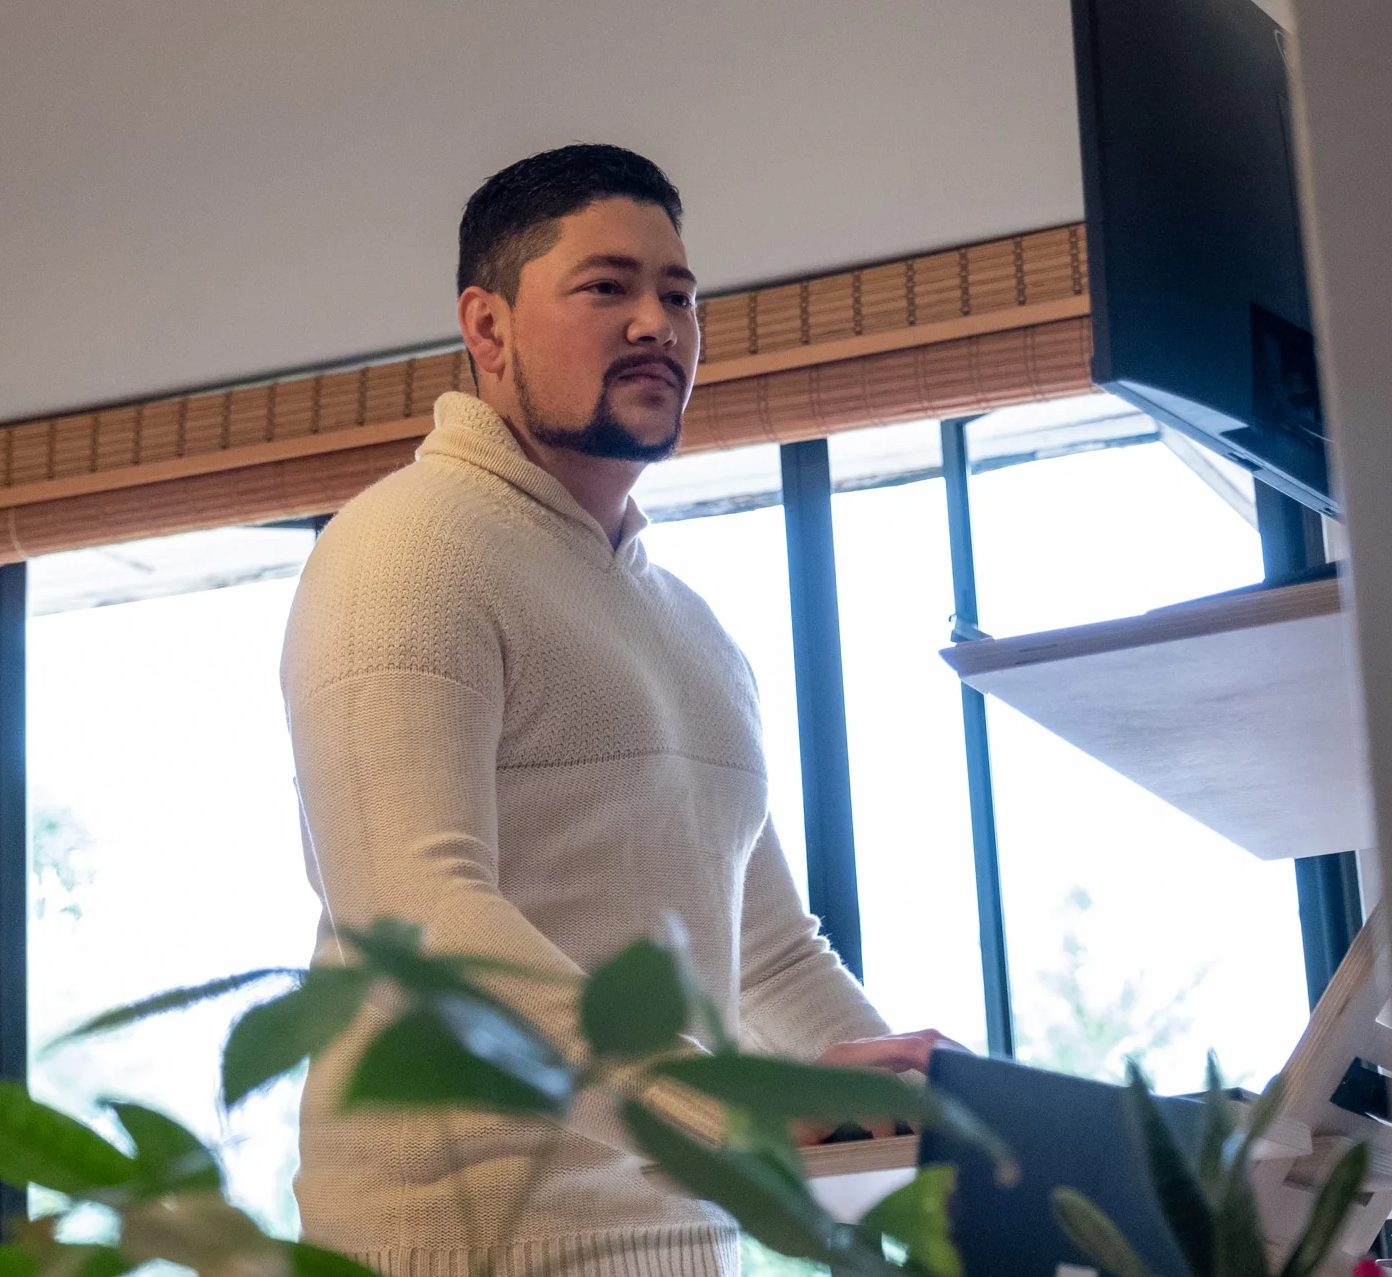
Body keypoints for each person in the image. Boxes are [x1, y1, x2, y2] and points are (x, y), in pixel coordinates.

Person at [281, 144, 952, 1277]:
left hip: (687, 1246)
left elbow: (769, 957)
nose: (658, 325)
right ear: (487, 327)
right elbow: (416, 917)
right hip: (453, 1252)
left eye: (679, 296)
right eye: (607, 287)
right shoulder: (401, 551)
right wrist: (729, 1115)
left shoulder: (693, 629)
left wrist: (927, 1139)